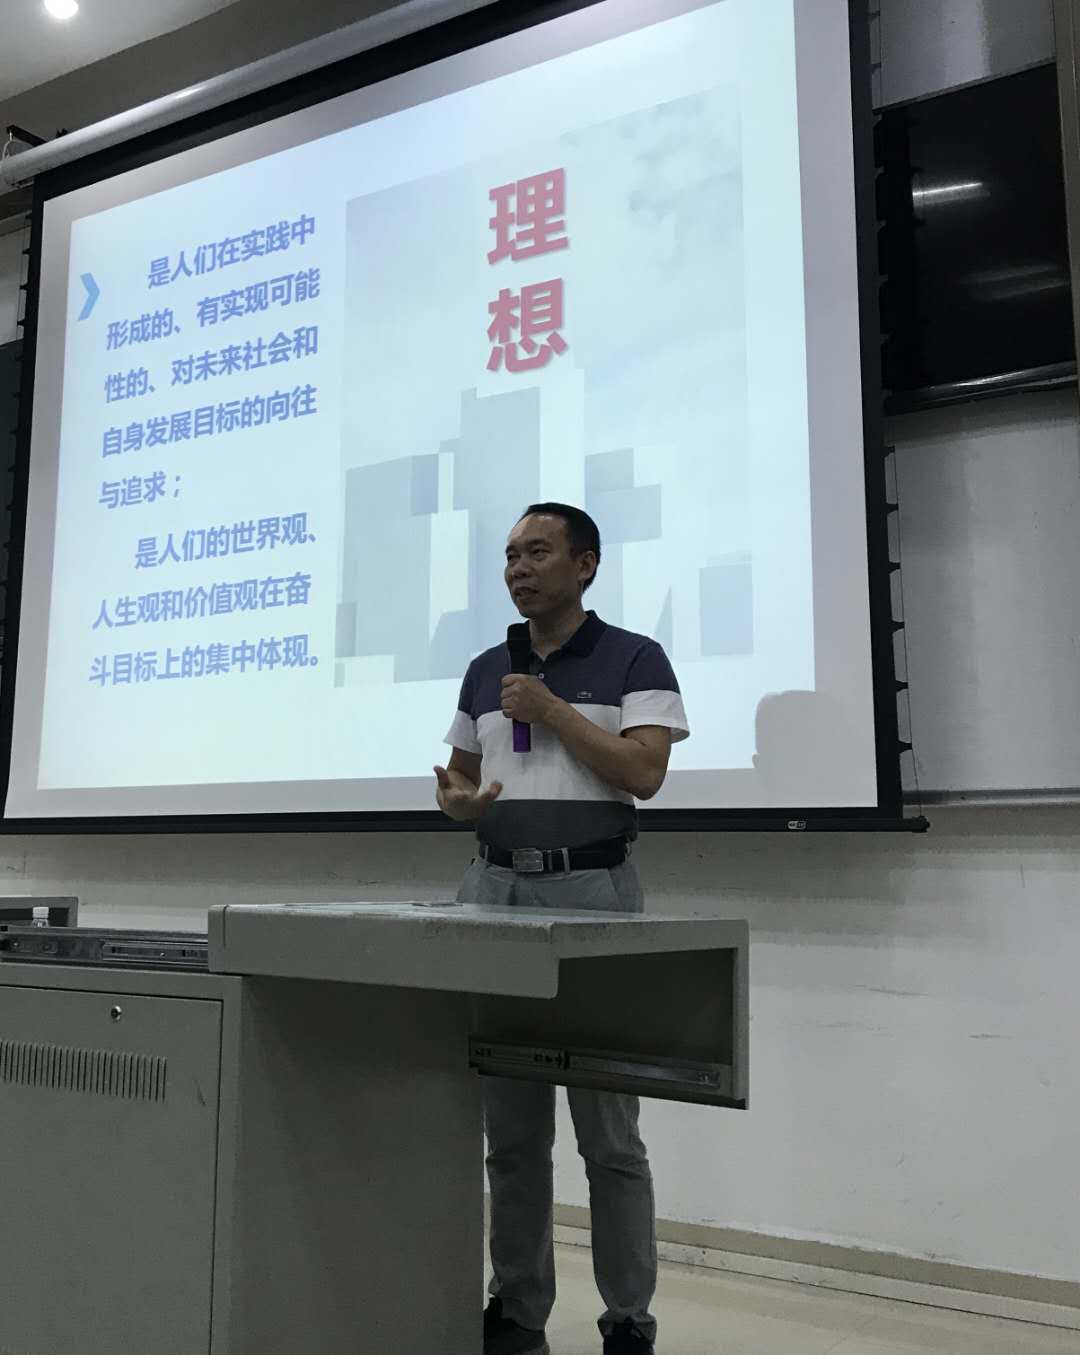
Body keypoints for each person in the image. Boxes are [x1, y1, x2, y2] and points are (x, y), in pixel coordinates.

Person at [434, 503, 689, 1355]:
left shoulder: (634, 657)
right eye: (510, 555)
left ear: (585, 563)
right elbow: (460, 778)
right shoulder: (484, 669)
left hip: (593, 893)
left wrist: (551, 709)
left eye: (537, 551)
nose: (518, 567)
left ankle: (628, 1318)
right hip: (493, 891)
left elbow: (644, 771)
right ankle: (517, 1307)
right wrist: (458, 803)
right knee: (510, 1131)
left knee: (608, 1131)